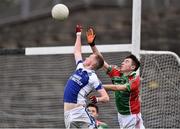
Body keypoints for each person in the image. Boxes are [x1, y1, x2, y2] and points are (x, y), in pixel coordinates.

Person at [86, 27, 145, 129]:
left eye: (126, 61)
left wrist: (97, 86)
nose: (122, 62)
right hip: (121, 115)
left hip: (132, 117)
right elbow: (101, 61)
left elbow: (118, 88)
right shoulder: (116, 72)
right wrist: (92, 45)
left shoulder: (135, 79)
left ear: (132, 67)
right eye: (123, 60)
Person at [63, 25, 109, 129]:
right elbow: (77, 52)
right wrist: (78, 34)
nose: (86, 57)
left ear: (92, 64)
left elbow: (106, 97)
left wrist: (97, 99)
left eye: (90, 57)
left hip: (80, 113)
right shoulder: (80, 67)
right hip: (67, 114)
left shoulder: (93, 77)